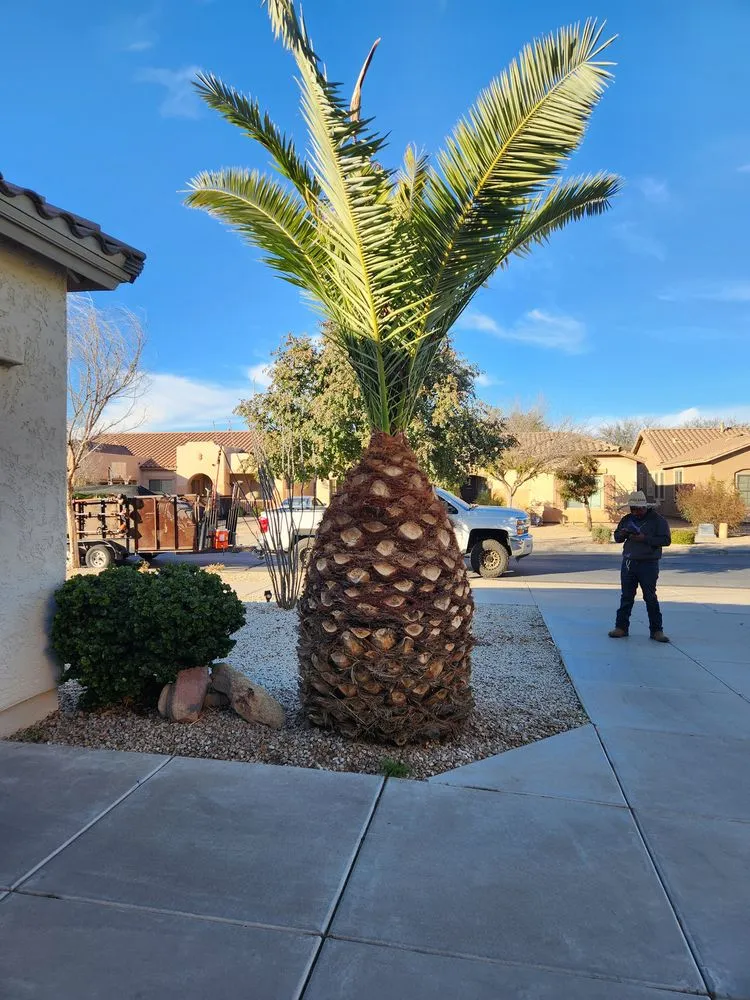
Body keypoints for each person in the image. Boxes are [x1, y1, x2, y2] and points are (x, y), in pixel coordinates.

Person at [609, 490, 671, 642]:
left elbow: (666, 540)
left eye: (638, 509)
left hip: (648, 563)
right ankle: (621, 627)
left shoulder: (658, 520)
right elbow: (617, 537)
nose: (635, 512)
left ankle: (656, 630)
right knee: (626, 597)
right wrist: (623, 534)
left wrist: (645, 538)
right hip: (629, 562)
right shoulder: (627, 519)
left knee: (650, 597)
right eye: (633, 509)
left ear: (645, 507)